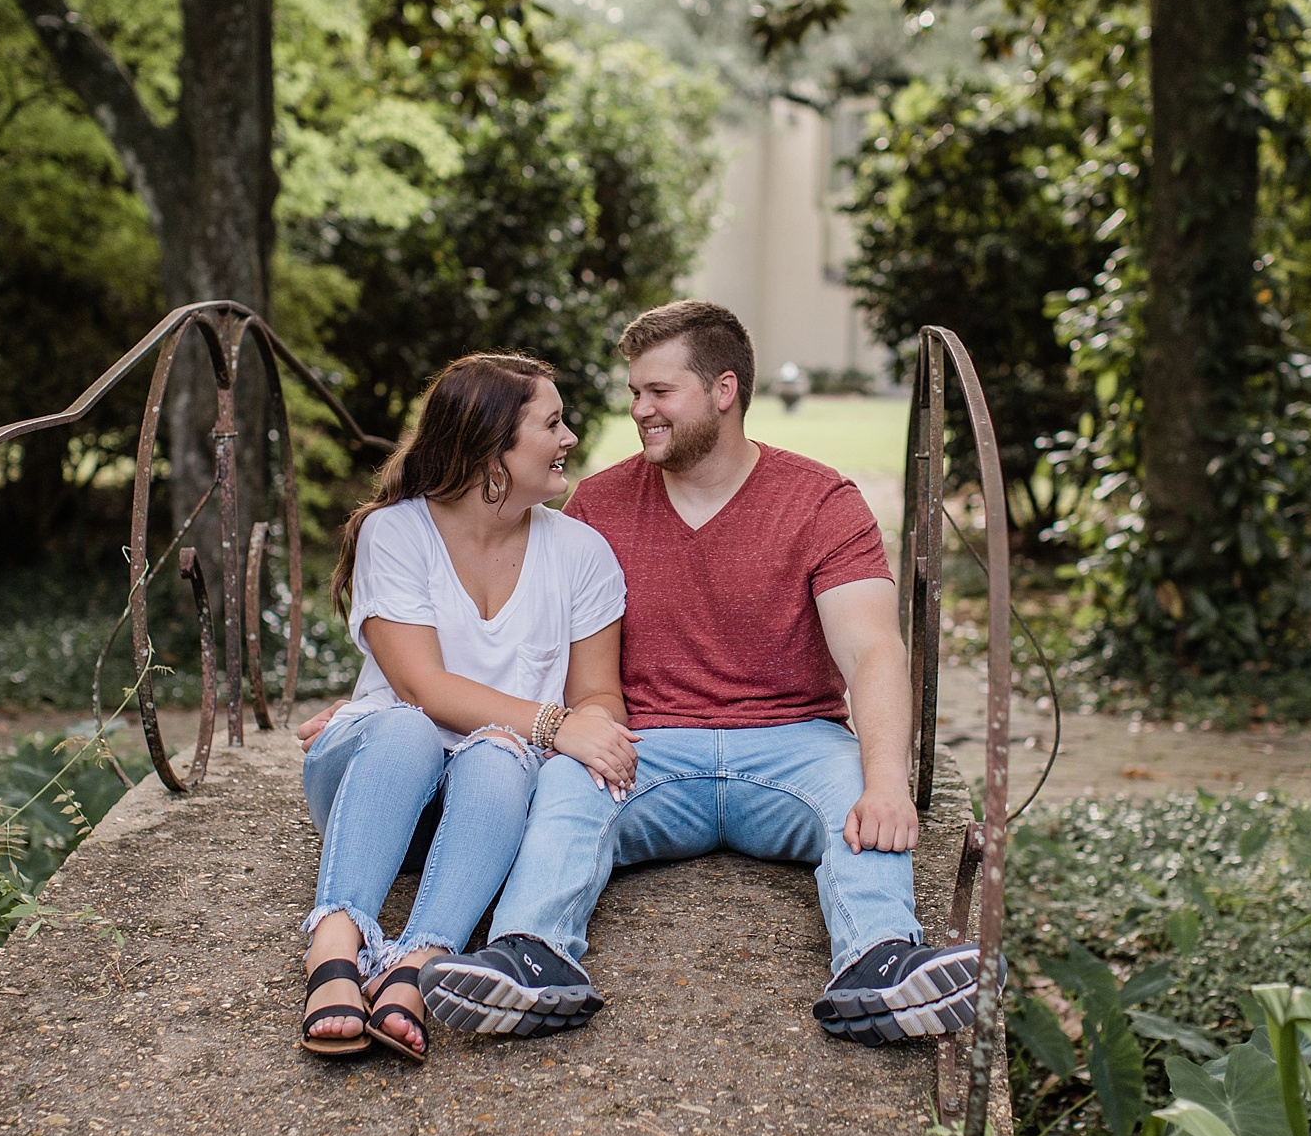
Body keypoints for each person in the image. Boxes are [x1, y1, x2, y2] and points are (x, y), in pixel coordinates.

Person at [302, 301, 990, 1047]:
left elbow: (873, 649)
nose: (639, 410)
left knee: (862, 789)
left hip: (795, 742)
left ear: (724, 390)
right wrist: (386, 695)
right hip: (648, 746)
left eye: (658, 392)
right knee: (566, 785)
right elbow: (509, 636)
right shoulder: (596, 505)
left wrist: (888, 779)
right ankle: (531, 957)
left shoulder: (819, 500)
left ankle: (881, 964)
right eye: (634, 393)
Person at [295, 353, 639, 1063]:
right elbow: (422, 687)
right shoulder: (395, 532)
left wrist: (590, 726)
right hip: (379, 782)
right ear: (492, 452)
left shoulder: (582, 553)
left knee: (498, 757)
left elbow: (598, 694)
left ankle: (415, 967)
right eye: (552, 423)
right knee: (408, 728)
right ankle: (334, 945)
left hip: (486, 810)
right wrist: (554, 724)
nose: (569, 436)